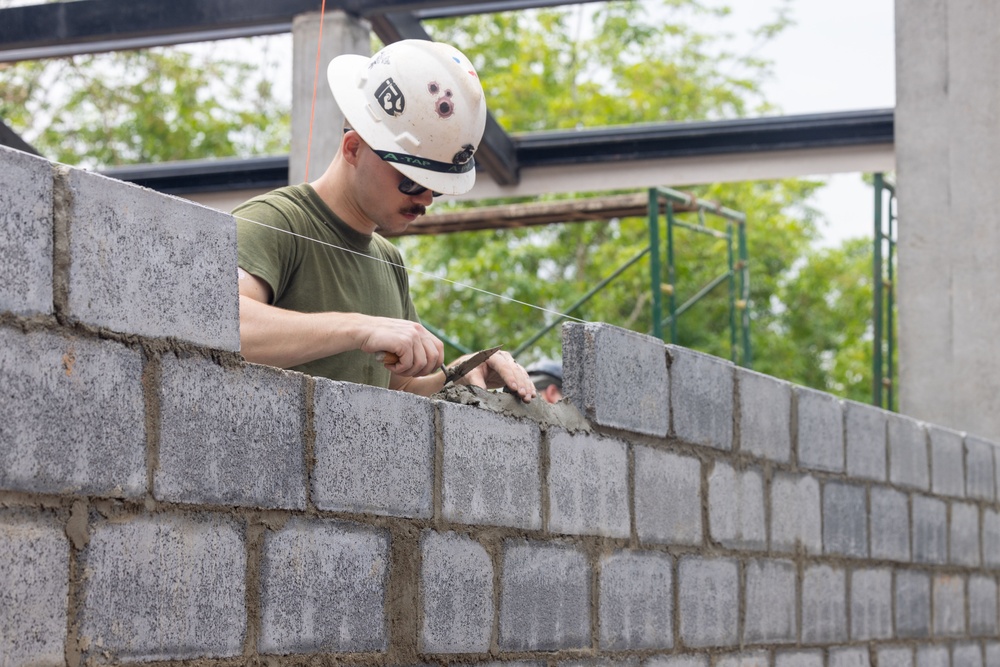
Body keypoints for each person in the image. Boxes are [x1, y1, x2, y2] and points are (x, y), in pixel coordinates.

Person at [233, 39, 535, 402]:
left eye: (434, 189)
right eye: (410, 182)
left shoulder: (389, 262)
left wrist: (462, 372)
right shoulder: (276, 222)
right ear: (354, 149)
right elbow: (221, 321)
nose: (424, 199)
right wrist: (359, 328)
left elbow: (402, 389)